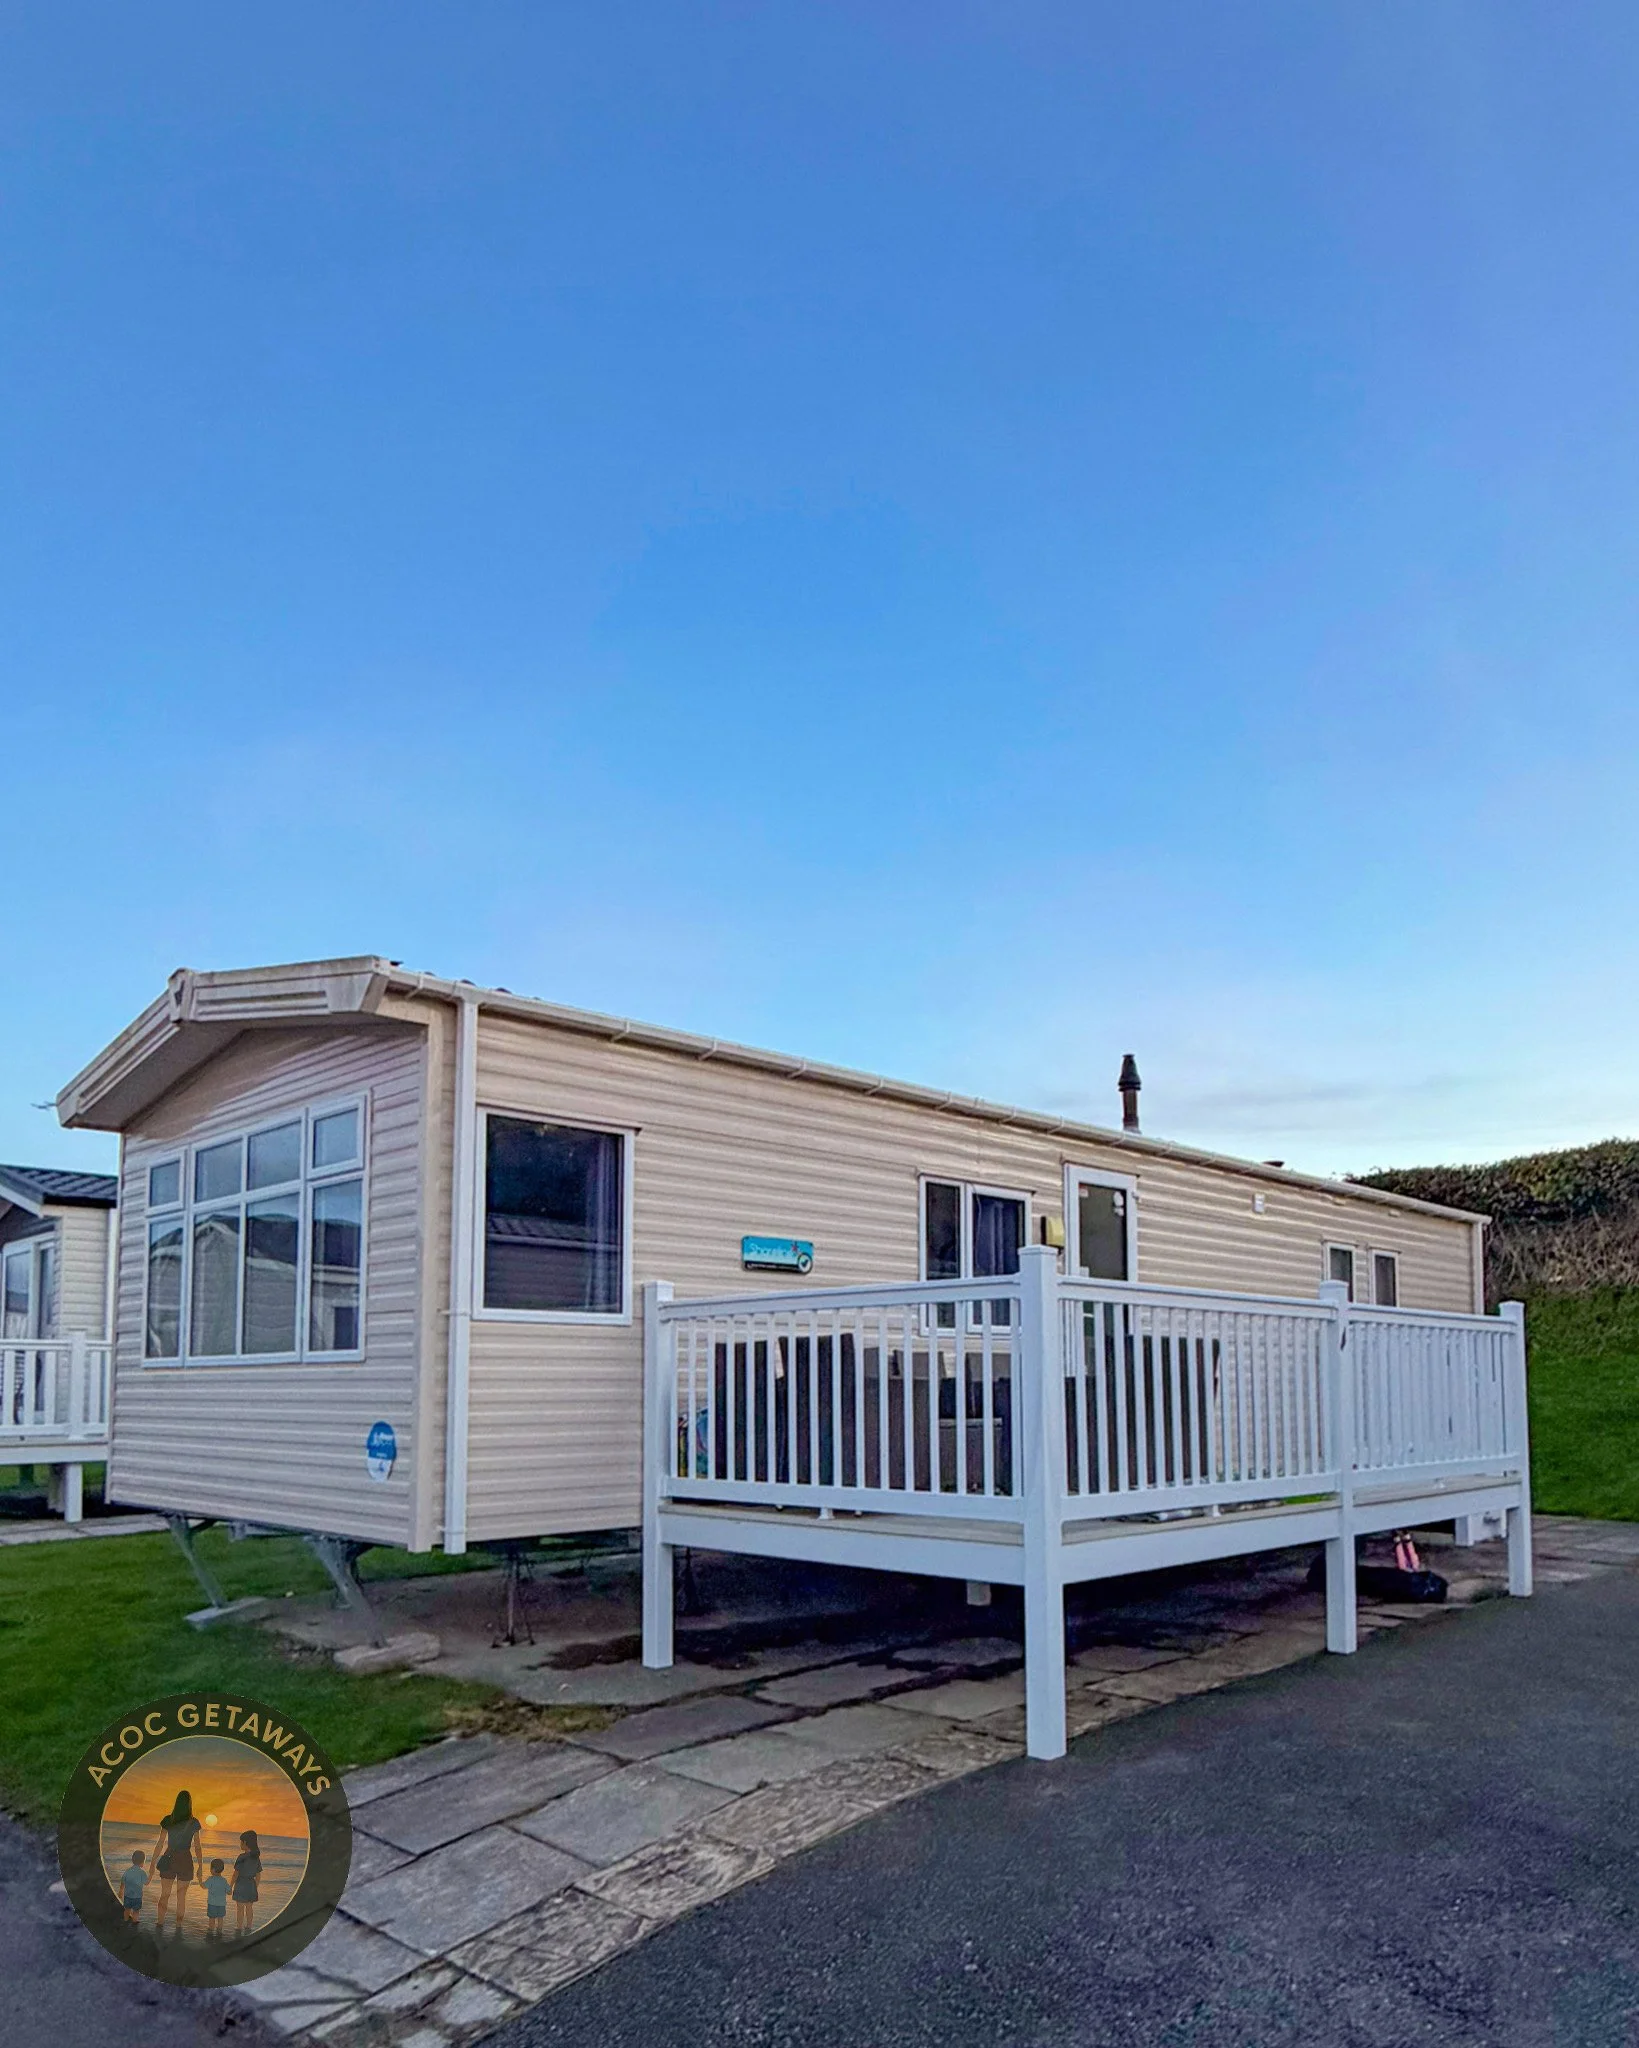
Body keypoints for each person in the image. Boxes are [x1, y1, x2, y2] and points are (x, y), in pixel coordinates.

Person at [150, 1790, 202, 1933]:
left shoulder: (168, 1820)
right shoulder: (194, 1822)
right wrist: (201, 1867)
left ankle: (160, 1924)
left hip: (169, 1857)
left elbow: (160, 1843)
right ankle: (178, 1928)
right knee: (181, 1898)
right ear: (189, 1804)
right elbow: (197, 1846)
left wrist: (152, 1863)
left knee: (164, 1894)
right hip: (185, 1860)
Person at [231, 1830, 262, 1937]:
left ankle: (239, 1927)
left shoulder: (241, 1857)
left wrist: (230, 1886)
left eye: (241, 1842)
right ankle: (249, 1926)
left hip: (241, 1884)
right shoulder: (256, 1857)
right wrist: (255, 1886)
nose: (240, 1844)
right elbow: (258, 1875)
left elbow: (235, 1874)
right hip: (251, 1884)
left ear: (245, 1842)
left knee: (240, 1908)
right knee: (249, 1907)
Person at [202, 1860, 230, 1942]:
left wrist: (200, 1880)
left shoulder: (211, 1879)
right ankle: (219, 1931)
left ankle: (210, 1931)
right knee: (220, 1918)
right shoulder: (224, 1880)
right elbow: (229, 1892)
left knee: (212, 1918)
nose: (210, 1870)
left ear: (213, 1869)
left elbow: (204, 1886)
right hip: (222, 1904)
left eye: (211, 1868)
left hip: (212, 1904)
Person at [119, 1850, 149, 1924]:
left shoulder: (128, 1871)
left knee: (127, 1909)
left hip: (128, 1895)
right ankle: (134, 1921)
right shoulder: (142, 1872)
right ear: (143, 1862)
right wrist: (151, 1875)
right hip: (137, 1896)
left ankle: (125, 1920)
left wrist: (121, 1891)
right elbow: (146, 1883)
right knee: (136, 1910)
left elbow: (123, 1881)